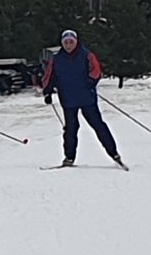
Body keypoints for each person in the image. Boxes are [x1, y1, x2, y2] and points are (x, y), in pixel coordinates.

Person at [41, 29, 125, 168]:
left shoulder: (86, 55)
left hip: (87, 98)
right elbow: (50, 75)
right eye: (66, 42)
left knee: (98, 125)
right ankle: (69, 157)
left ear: (76, 42)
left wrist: (91, 81)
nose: (68, 45)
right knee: (71, 129)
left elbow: (96, 70)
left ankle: (113, 153)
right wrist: (47, 91)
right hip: (68, 99)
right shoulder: (56, 59)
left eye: (71, 42)